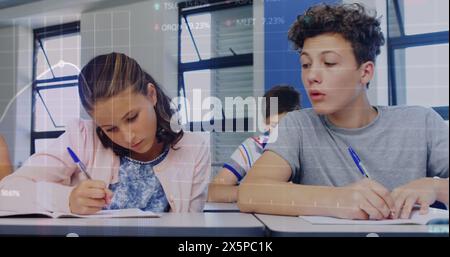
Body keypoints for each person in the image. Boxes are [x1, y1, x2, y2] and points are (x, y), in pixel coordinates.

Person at [238, 3, 449, 220]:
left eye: (329, 63)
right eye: (306, 64)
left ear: (365, 72)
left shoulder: (421, 122)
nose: (312, 76)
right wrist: (338, 199)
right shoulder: (298, 125)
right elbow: (250, 193)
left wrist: (436, 187)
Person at [0, 52, 210, 214]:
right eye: (110, 129)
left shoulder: (193, 150)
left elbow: (189, 228)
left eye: (132, 118)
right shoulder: (82, 137)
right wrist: (67, 199)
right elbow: (6, 193)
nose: (128, 136)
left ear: (151, 95)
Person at [207, 85, 301, 203]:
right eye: (273, 126)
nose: (280, 133)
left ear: (299, 121)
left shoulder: (307, 148)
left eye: (285, 126)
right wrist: (256, 193)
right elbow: (214, 191)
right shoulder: (253, 147)